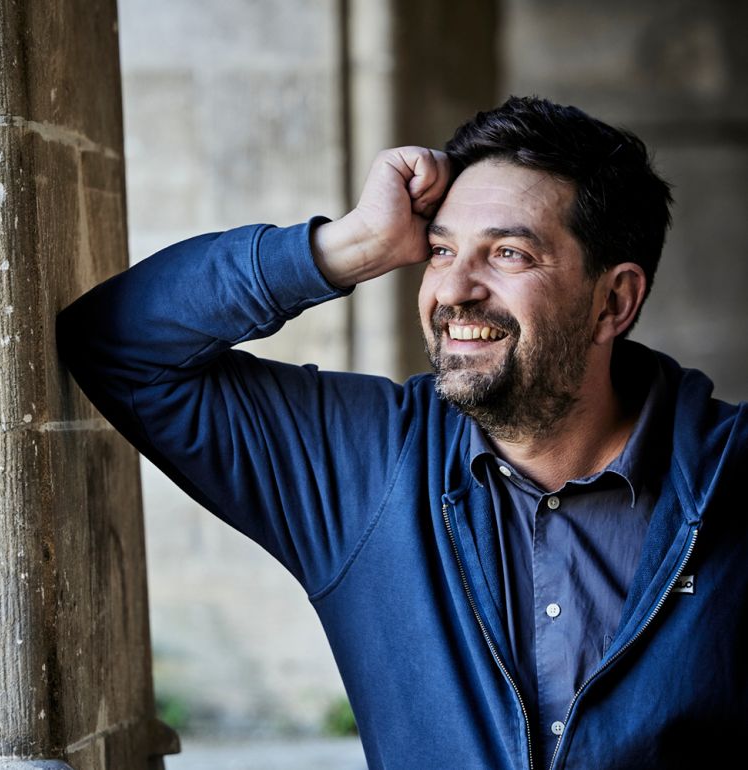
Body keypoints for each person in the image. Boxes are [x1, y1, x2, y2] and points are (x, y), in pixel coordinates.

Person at [56, 96, 747, 770]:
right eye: (442, 252)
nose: (453, 291)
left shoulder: (733, 478)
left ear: (614, 300)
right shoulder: (362, 466)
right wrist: (349, 246)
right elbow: (117, 342)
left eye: (507, 254)